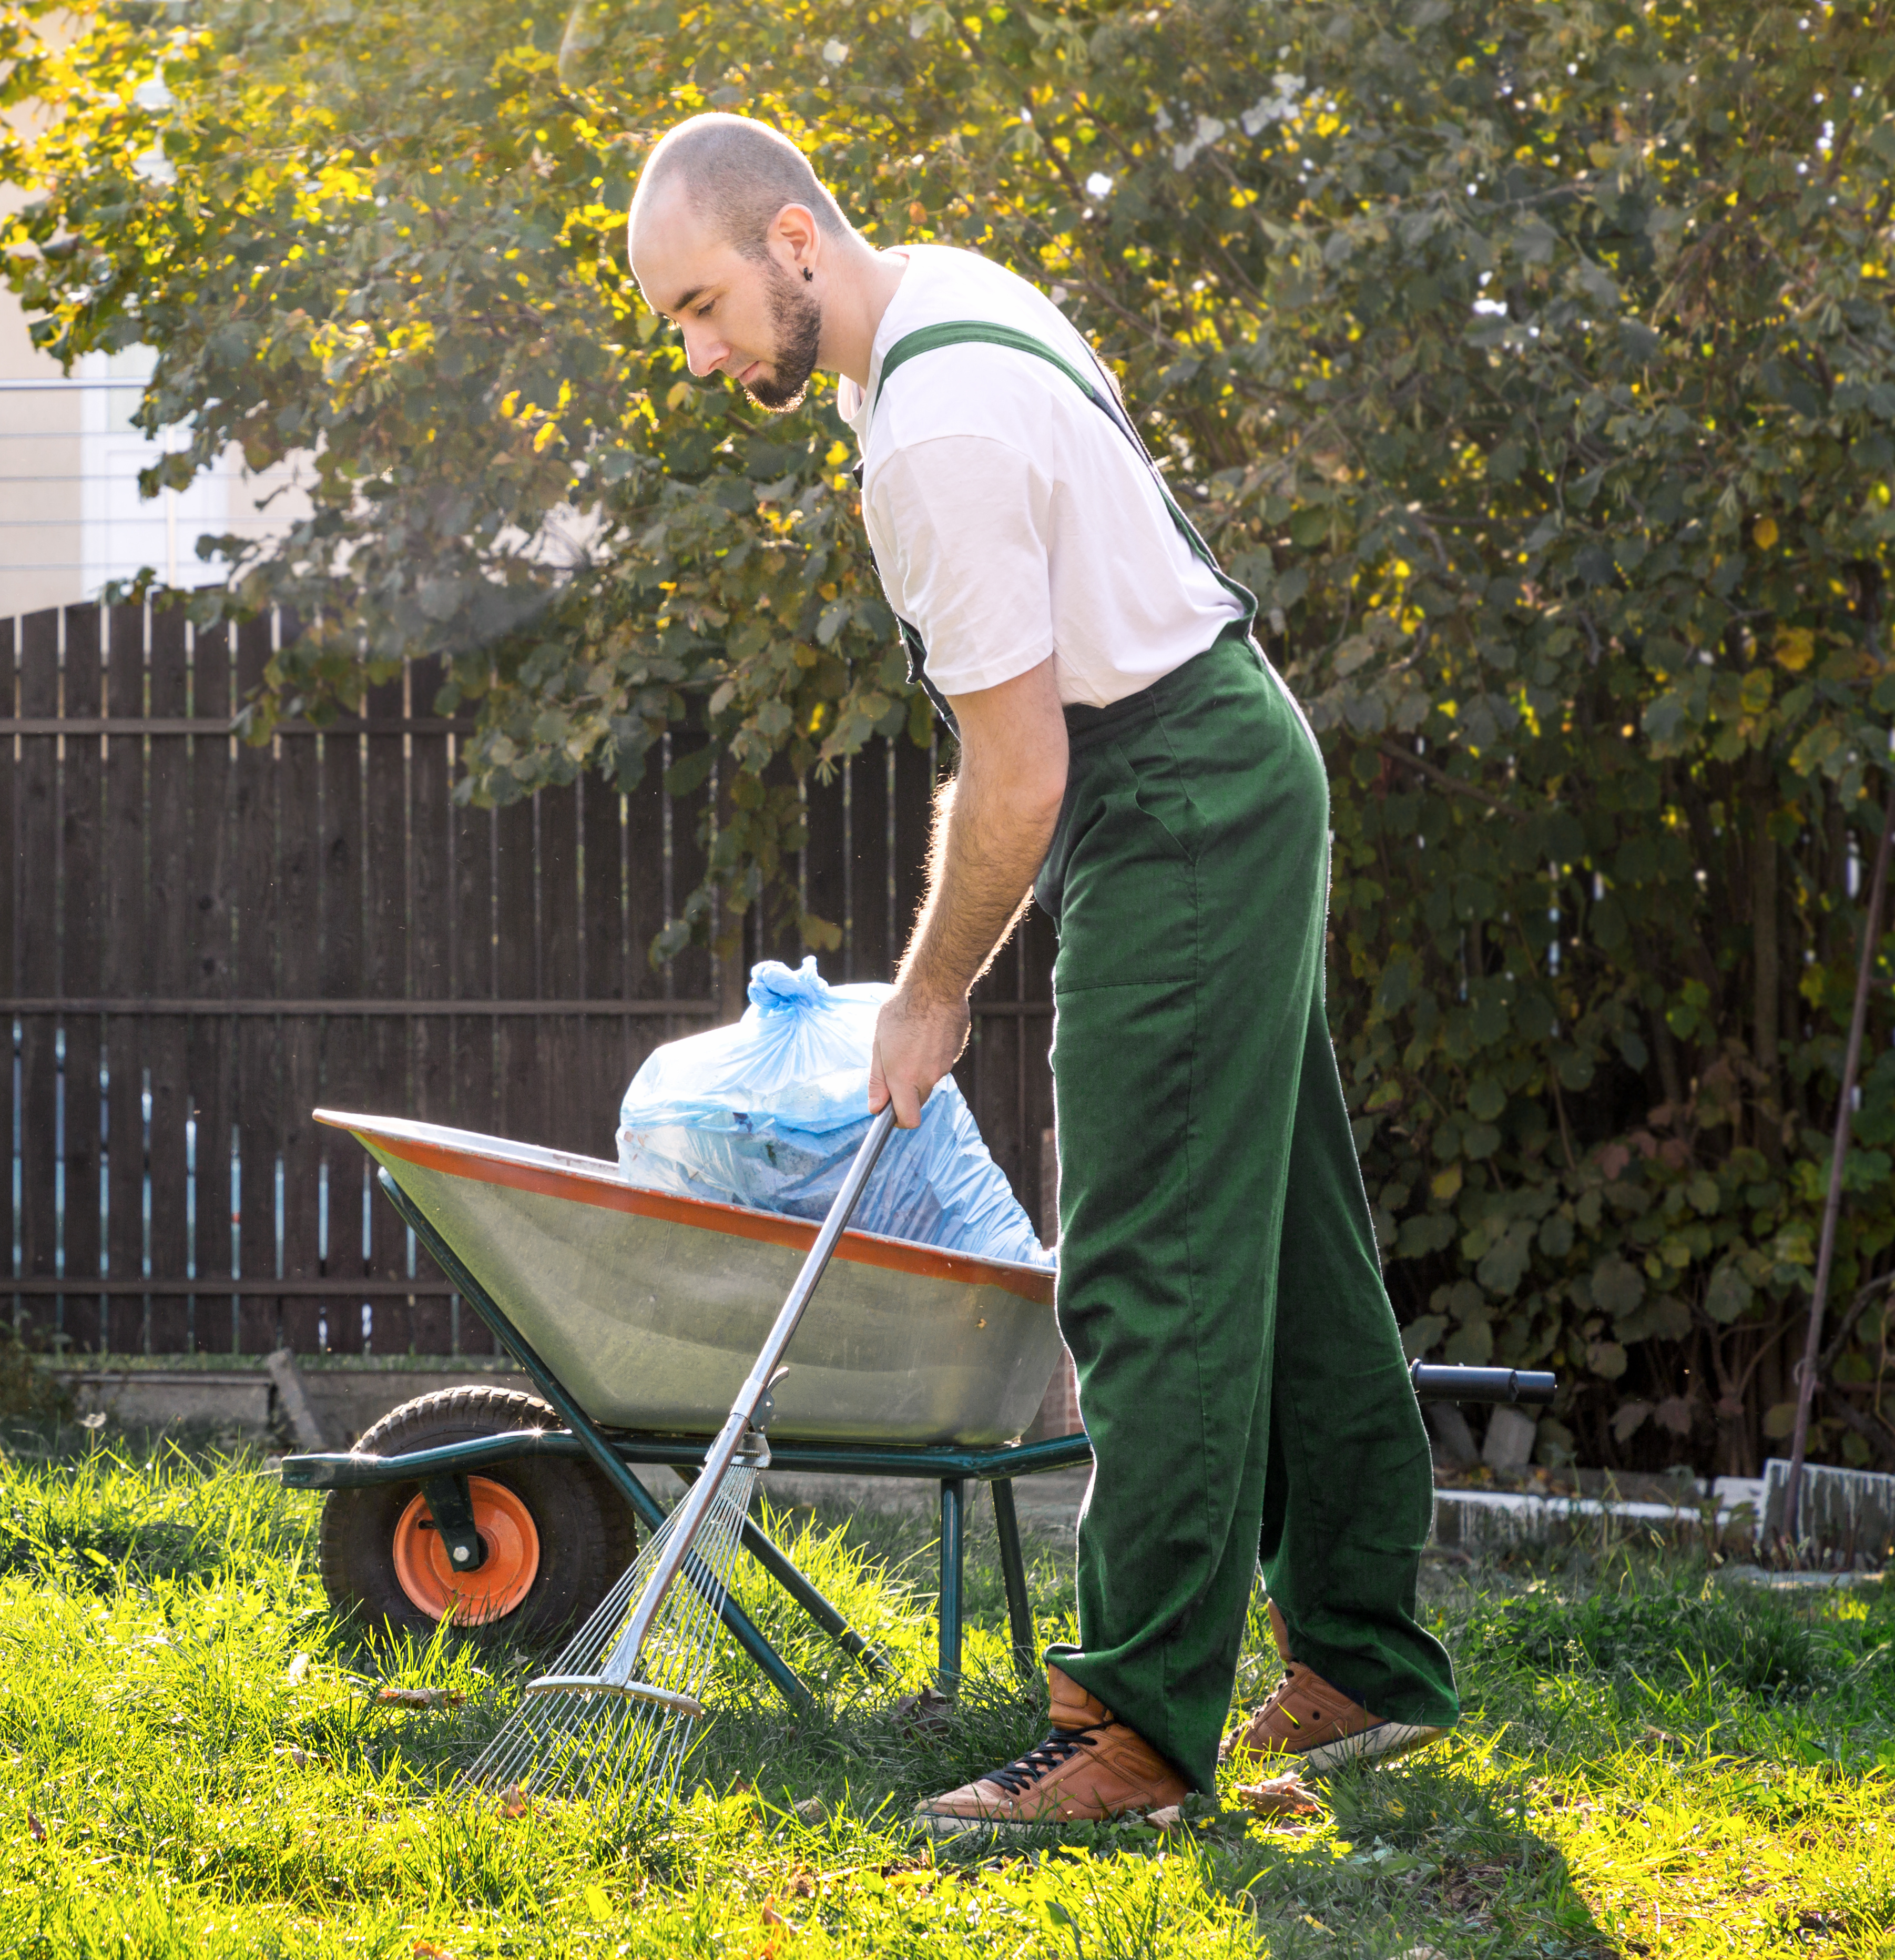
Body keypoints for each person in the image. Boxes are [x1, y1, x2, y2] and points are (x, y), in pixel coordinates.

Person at [623, 113, 1458, 1830]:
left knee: (1145, 1263)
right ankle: (1367, 1664)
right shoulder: (944, 296)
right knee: (1291, 1237)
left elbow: (1018, 776)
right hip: (1232, 751)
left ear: (793, 240)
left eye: (702, 305)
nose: (700, 357)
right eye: (678, 329)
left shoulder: (923, 434)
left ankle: (1139, 1729)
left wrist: (930, 993)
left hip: (1177, 797)